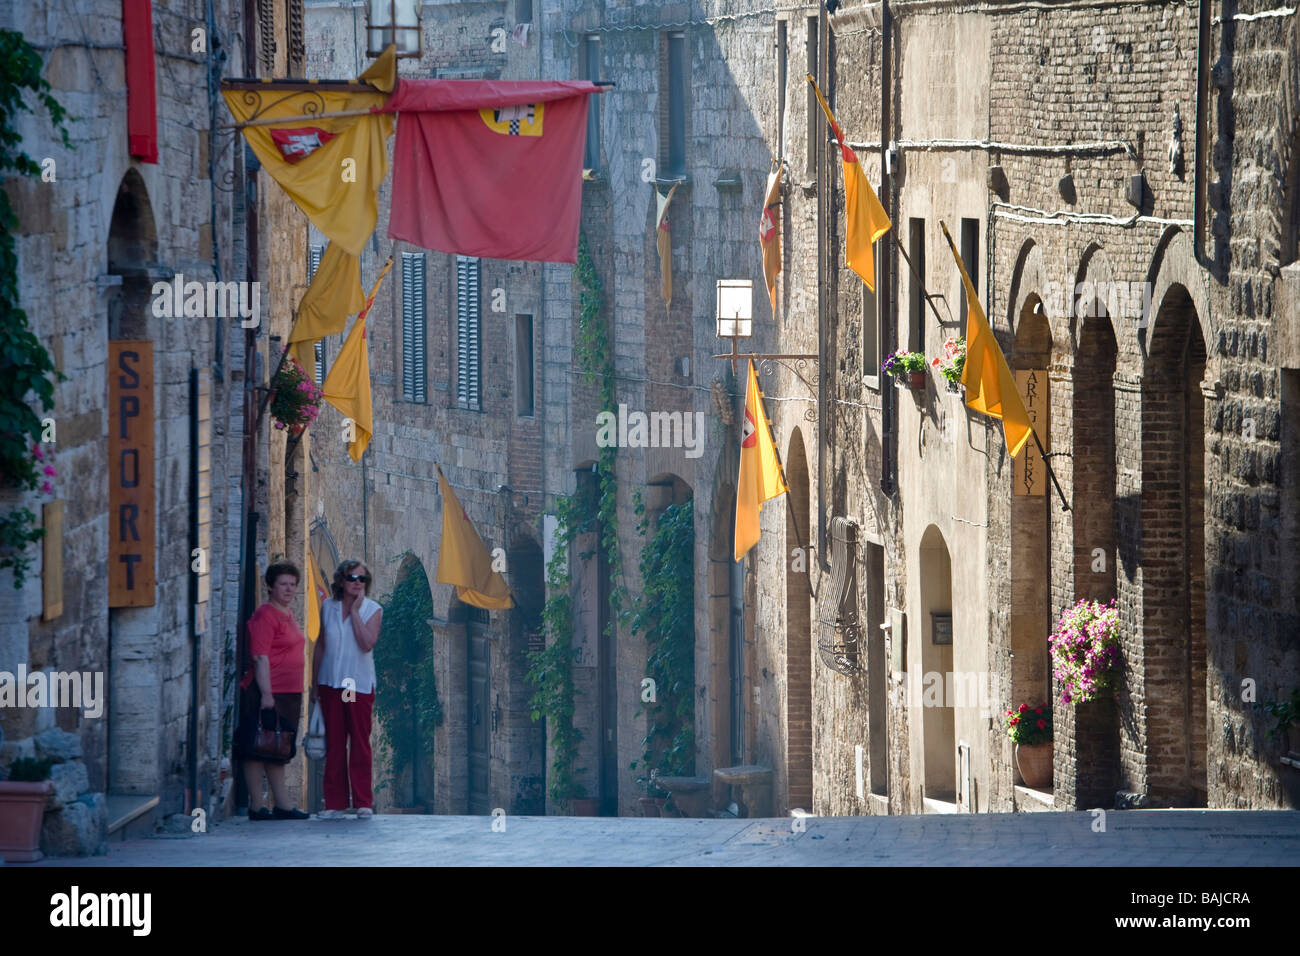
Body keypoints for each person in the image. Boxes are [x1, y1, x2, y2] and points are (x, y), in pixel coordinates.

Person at [234, 562, 310, 820]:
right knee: (257, 746)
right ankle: (257, 805)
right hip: (268, 691)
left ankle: (282, 804)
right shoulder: (265, 615)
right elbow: (260, 656)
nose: (289, 589)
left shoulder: (286, 613)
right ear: (269, 586)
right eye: (283, 584)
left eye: (292, 584)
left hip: (288, 692)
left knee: (278, 746)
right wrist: (266, 694)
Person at [313, 559, 383, 818]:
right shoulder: (327, 608)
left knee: (360, 743)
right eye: (353, 578)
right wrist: (314, 683)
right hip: (331, 682)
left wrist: (354, 612)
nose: (357, 583)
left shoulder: (373, 610)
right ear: (341, 581)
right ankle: (335, 803)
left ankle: (363, 801)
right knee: (335, 744)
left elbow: (367, 643)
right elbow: (320, 645)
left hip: (357, 686)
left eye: (362, 579)